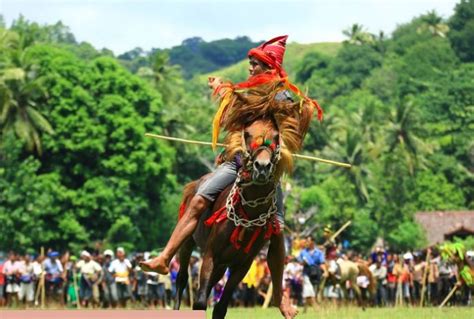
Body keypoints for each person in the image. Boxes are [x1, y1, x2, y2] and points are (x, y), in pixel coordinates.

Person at [141, 35, 321, 319]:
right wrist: (224, 89)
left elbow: (292, 125)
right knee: (199, 199)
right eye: (250, 63)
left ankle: (277, 296)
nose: (250, 68)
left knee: (277, 230)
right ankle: (165, 257)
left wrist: (298, 111)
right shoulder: (248, 92)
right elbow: (236, 108)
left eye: (255, 64)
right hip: (237, 164)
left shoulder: (282, 94)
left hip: (267, 171)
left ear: (268, 65)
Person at [298, 236, 325, 312]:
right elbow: (299, 262)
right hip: (306, 272)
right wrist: (303, 262)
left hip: (316, 273)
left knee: (311, 290)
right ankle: (316, 308)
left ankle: (305, 309)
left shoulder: (319, 252)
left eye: (308, 241)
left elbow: (322, 263)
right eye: (306, 241)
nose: (306, 242)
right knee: (309, 288)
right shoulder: (303, 252)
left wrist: (325, 271)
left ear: (313, 242)